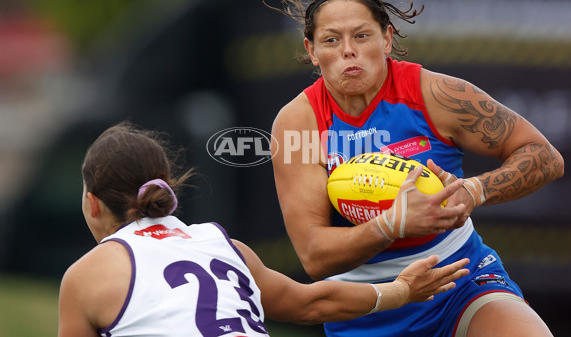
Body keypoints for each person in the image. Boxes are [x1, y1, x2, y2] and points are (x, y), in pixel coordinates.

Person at [259, 0, 564, 337]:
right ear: (311, 50)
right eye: (331, 40)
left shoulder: (436, 95)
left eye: (362, 35)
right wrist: (392, 225)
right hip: (366, 303)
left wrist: (473, 191)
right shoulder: (298, 122)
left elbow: (544, 156)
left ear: (386, 39)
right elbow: (315, 257)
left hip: (458, 278)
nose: (349, 51)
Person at [57, 121, 470, 337]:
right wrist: (401, 290)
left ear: (91, 204)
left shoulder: (86, 276)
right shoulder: (224, 245)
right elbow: (310, 304)